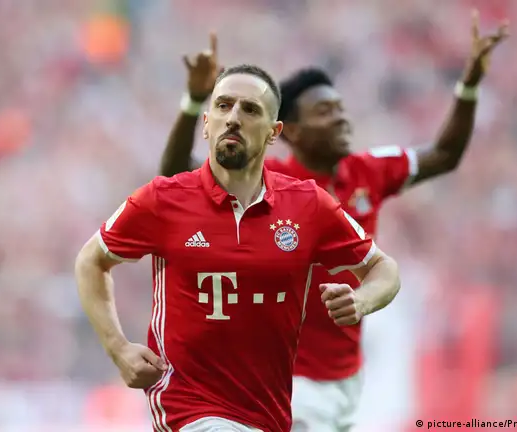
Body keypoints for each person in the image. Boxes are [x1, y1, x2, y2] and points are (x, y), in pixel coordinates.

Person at [159, 12, 508, 431]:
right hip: (286, 379)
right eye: (325, 111)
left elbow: (444, 155)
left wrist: (468, 86)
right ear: (291, 132)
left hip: (348, 378)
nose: (342, 118)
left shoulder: (368, 172)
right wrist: (193, 102)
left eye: (341, 109)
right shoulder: (265, 182)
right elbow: (175, 174)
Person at [75, 64, 401, 432]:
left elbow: (383, 269)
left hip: (269, 414)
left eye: (250, 109)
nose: (233, 118)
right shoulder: (162, 199)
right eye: (223, 105)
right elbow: (91, 261)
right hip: (187, 408)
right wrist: (118, 348)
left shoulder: (308, 204)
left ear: (274, 132)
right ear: (206, 123)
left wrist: (361, 300)